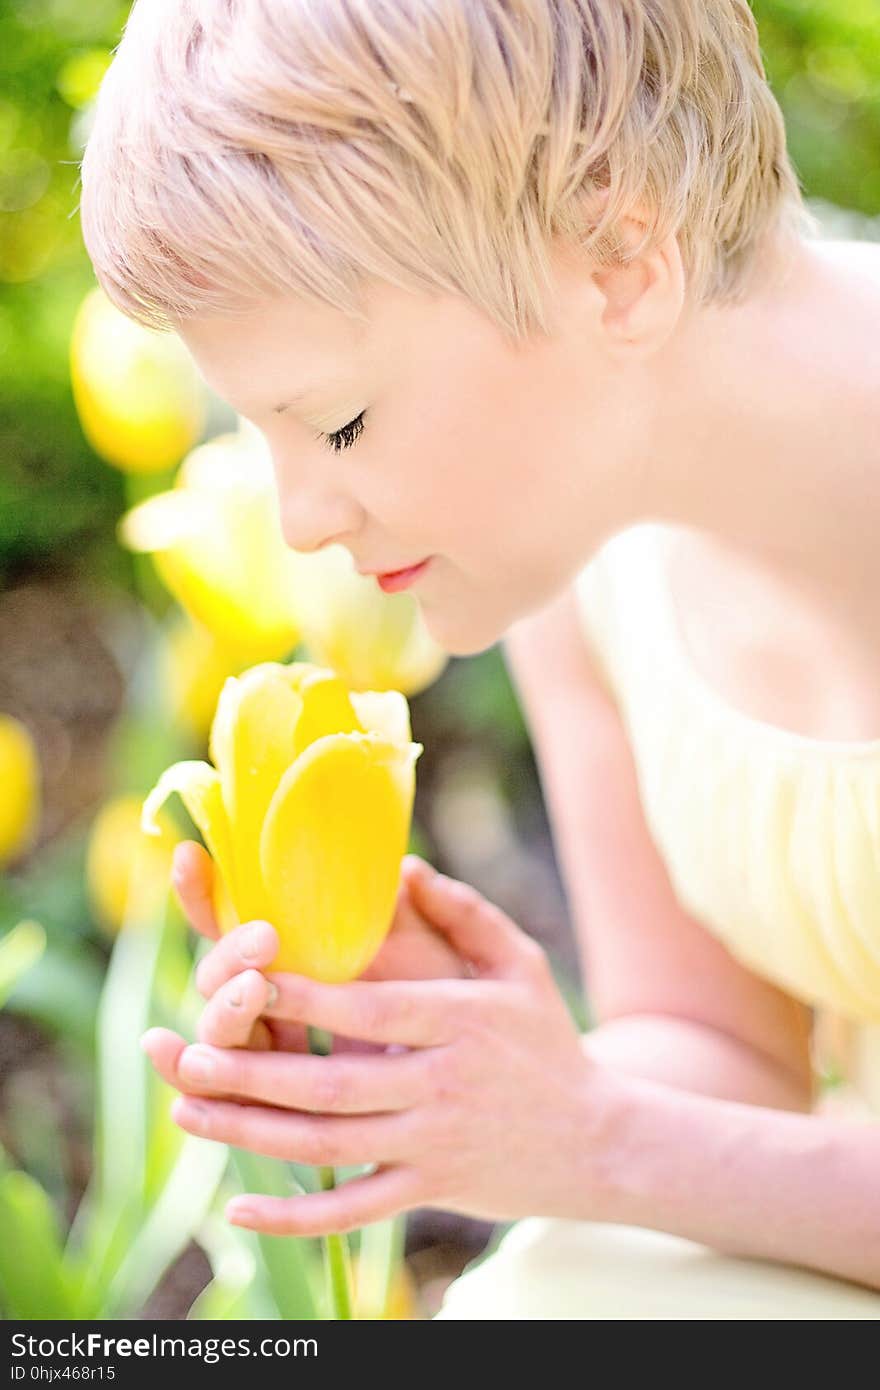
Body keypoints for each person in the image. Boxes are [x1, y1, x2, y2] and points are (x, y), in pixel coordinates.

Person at [78, 0, 880, 1315]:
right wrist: (464, 1066)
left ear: (620, 260)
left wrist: (610, 1142)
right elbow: (725, 1052)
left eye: (333, 424)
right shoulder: (594, 562)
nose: (298, 521)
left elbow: (662, 1148)